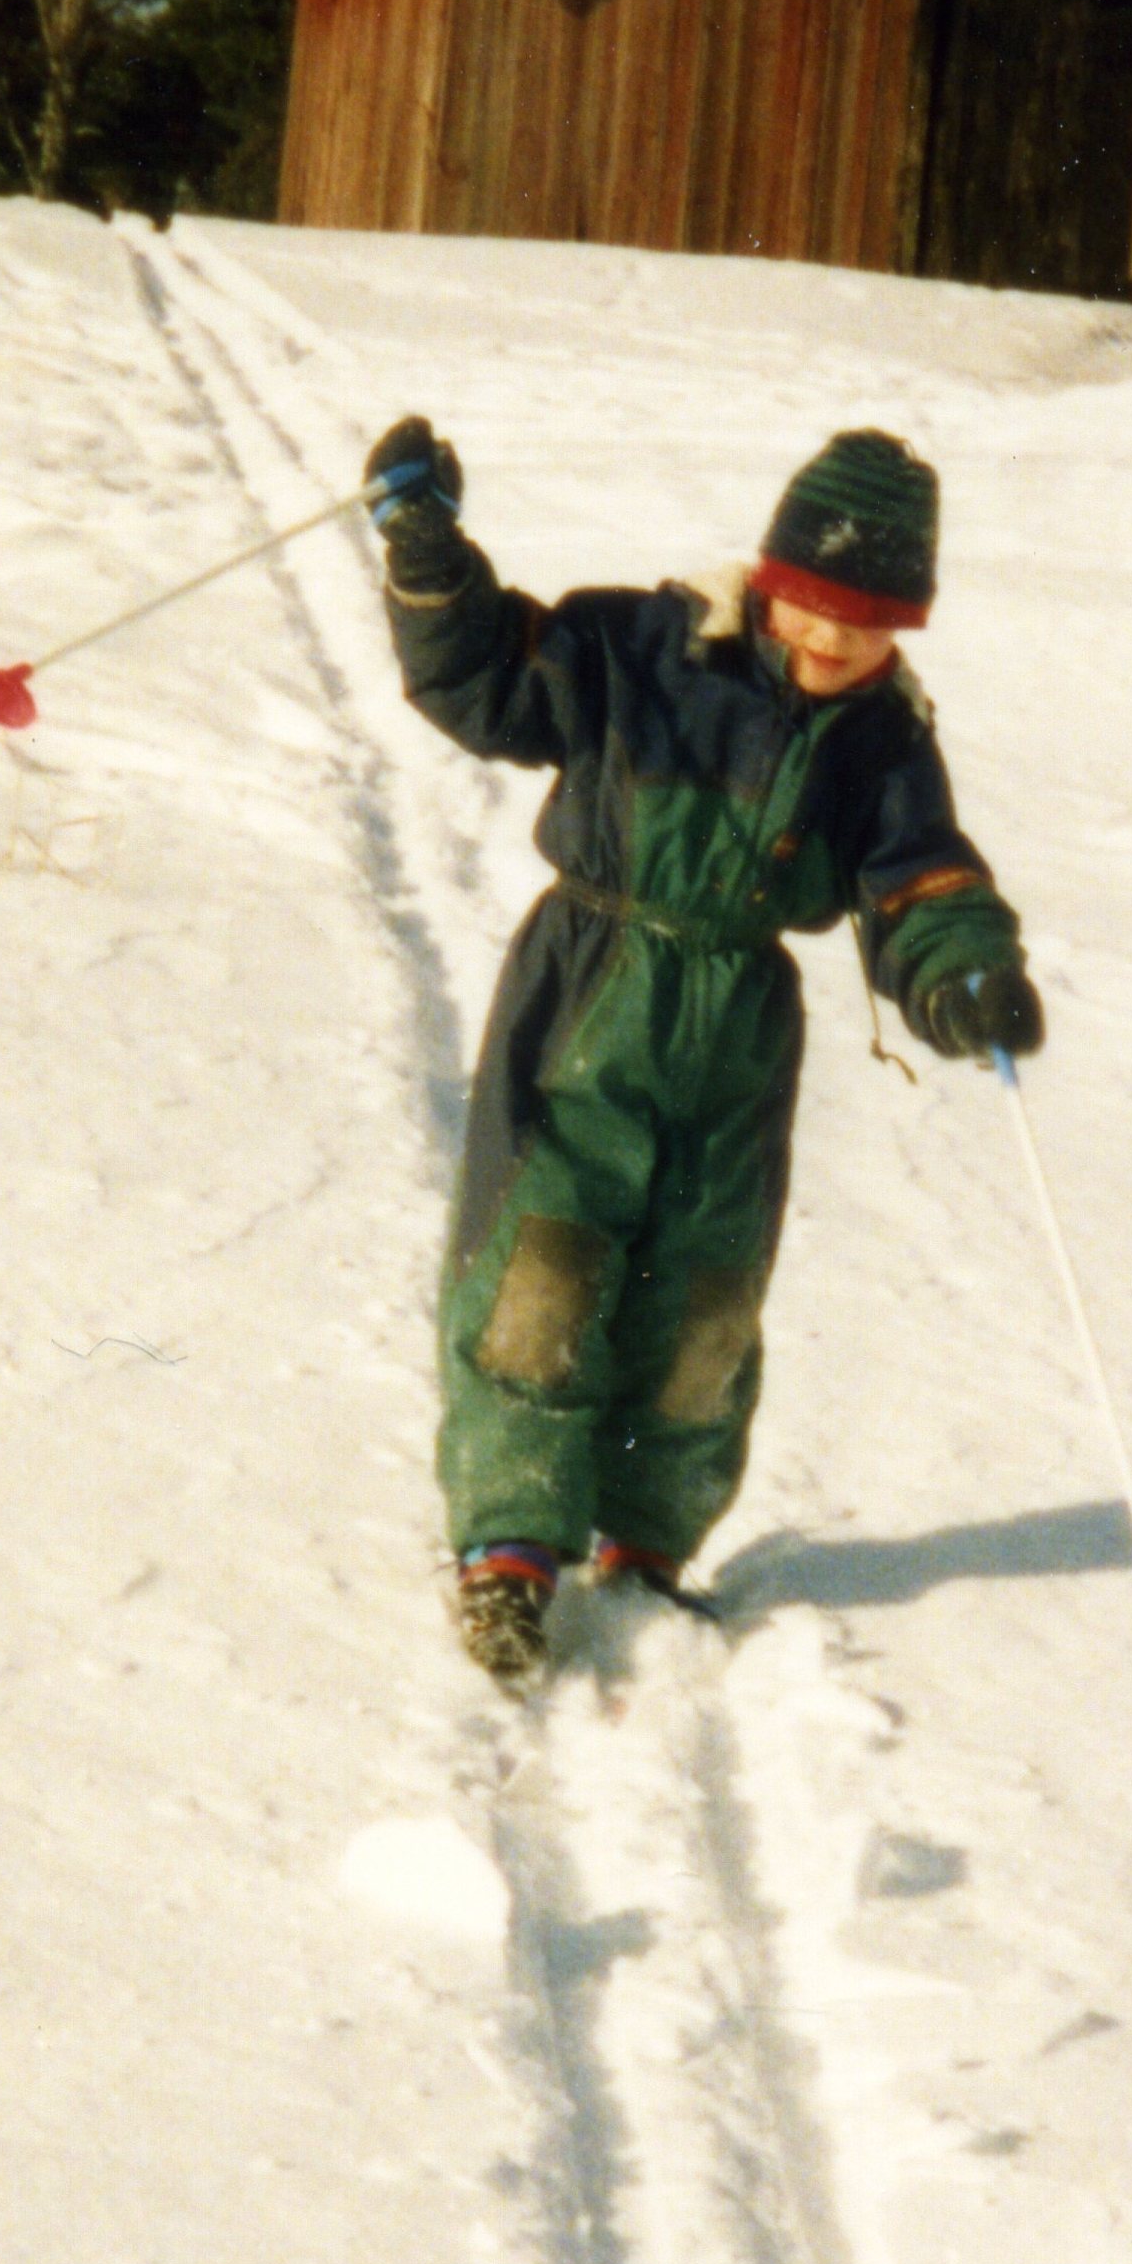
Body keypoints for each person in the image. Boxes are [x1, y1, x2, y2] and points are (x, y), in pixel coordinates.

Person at [365, 415, 1046, 1686]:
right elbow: (485, 677)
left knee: (705, 1292)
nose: (833, 641)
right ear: (769, 578)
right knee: (545, 1263)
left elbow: (917, 874)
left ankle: (646, 1539)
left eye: (870, 625)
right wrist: (427, 555)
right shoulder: (642, 652)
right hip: (591, 987)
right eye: (813, 607)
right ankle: (510, 1542)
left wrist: (961, 971)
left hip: (740, 1028)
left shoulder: (885, 739)